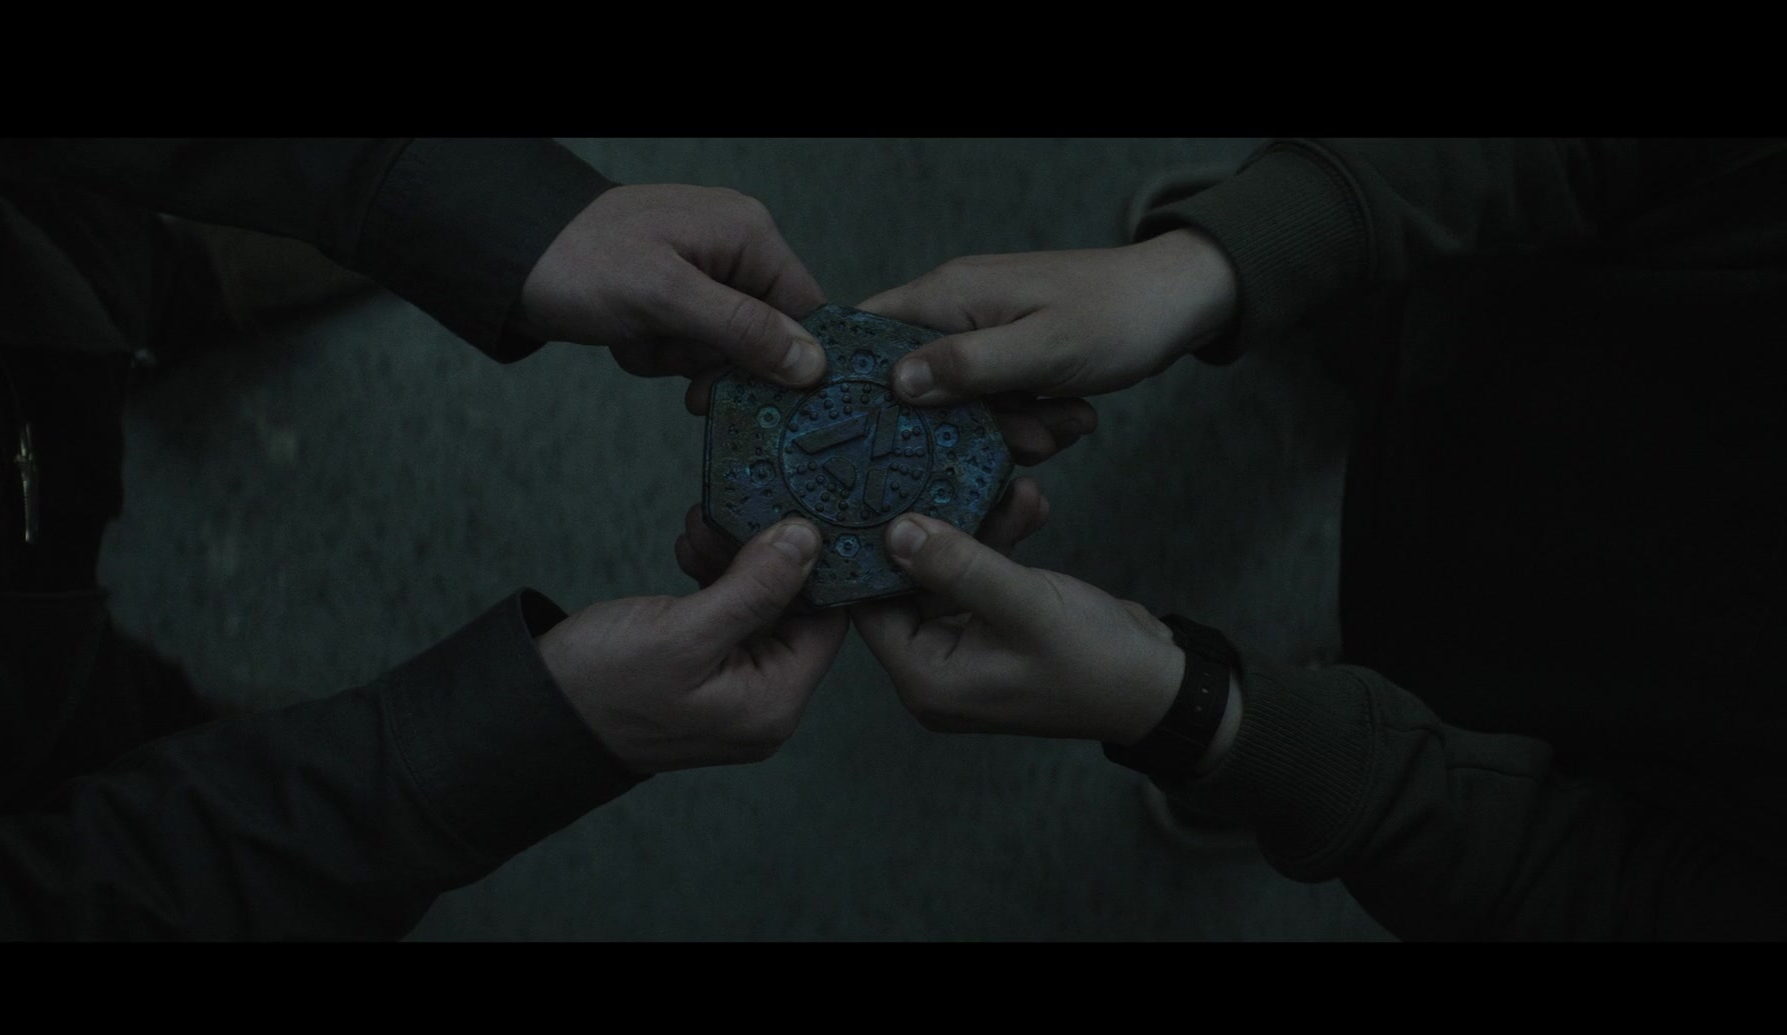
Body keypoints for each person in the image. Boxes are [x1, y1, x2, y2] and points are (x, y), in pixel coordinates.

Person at [0, 138, 1079, 939]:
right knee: (155, 786)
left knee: (84, 261)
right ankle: (197, 749)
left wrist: (449, 198)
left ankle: (164, 278)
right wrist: (460, 762)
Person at [682, 138, 1787, 940]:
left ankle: (1324, 728)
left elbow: (1609, 901)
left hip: (1586, 744)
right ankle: (1323, 293)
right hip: (1558, 298)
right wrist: (1226, 258)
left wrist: (1218, 722)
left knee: (1391, 756)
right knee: (1413, 293)